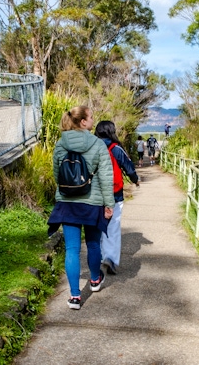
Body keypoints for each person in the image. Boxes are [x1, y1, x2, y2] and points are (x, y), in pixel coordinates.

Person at [47, 106, 115, 310]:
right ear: (83, 122)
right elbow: (105, 176)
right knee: (93, 244)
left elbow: (57, 174)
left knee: (72, 250)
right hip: (92, 203)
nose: (93, 119)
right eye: (91, 117)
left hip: (67, 203)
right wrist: (108, 204)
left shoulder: (61, 143)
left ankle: (75, 296)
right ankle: (95, 280)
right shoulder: (97, 144)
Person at [94, 121, 139, 276]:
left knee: (97, 227)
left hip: (95, 194)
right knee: (112, 227)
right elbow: (129, 167)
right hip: (115, 194)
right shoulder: (116, 148)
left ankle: (97, 258)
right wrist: (135, 180)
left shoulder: (92, 146)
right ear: (111, 132)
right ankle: (110, 259)